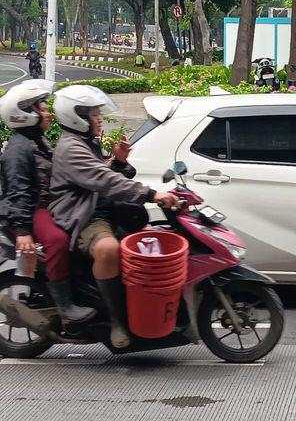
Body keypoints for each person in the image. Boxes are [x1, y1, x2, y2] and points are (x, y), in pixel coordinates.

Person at [48, 85, 178, 348]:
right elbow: (104, 180)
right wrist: (152, 194)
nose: (99, 119)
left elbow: (103, 172)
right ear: (77, 117)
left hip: (102, 208)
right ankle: (118, 322)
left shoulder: (86, 142)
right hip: (84, 216)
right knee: (108, 249)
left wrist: (118, 161)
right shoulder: (71, 148)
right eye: (94, 114)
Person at [0, 80, 97, 324]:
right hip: (32, 209)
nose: (48, 113)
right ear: (23, 114)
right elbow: (18, 191)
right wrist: (22, 231)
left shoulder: (37, 141)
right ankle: (65, 306)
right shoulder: (18, 148)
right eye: (41, 109)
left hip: (47, 206)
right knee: (58, 241)